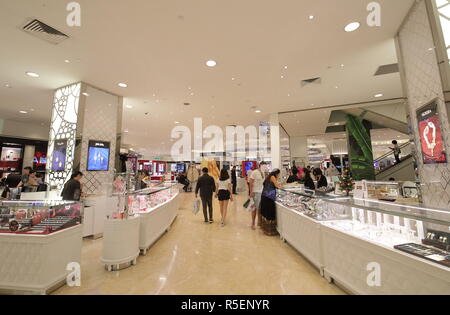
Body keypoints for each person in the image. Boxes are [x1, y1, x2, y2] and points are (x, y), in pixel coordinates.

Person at [260, 169, 282, 236]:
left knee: (266, 213)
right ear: (276, 173)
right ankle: (269, 231)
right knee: (270, 213)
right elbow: (277, 185)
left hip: (265, 196)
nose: (279, 175)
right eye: (279, 174)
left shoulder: (269, 177)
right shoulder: (272, 177)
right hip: (269, 197)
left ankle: (265, 230)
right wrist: (283, 184)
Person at [249, 161, 266, 230]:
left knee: (260, 208)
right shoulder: (254, 172)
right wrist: (251, 191)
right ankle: (253, 223)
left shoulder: (263, 173)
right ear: (260, 166)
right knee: (254, 209)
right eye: (264, 166)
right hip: (255, 192)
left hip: (261, 192)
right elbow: (250, 182)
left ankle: (259, 222)